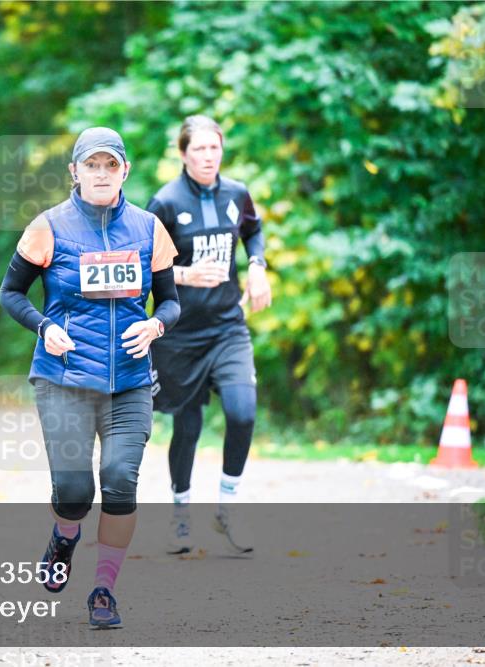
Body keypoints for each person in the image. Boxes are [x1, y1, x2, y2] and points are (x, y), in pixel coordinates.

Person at [0, 127, 179, 628]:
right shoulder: (48, 226)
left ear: (125, 171)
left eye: (111, 165)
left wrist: (156, 323)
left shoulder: (149, 229)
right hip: (64, 379)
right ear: (75, 172)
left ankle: (103, 589)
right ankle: (65, 536)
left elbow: (170, 299)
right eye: (91, 166)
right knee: (75, 493)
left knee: (121, 482)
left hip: (130, 380)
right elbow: (10, 293)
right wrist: (44, 325)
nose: (102, 174)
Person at [147, 115, 272, 555]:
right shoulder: (163, 202)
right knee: (189, 426)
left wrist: (257, 268)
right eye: (198, 149)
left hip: (227, 328)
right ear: (183, 154)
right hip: (180, 334)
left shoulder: (237, 194)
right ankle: (181, 515)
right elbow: (144, 266)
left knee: (242, 411)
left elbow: (253, 232)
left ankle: (228, 507)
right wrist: (185, 274)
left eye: (214, 148)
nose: (207, 156)